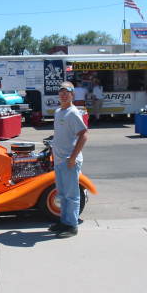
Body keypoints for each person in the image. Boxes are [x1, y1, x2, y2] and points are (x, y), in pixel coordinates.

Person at [49, 81, 88, 238]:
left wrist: (72, 158)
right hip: (59, 161)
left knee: (72, 195)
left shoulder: (73, 113)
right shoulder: (58, 112)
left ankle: (72, 226)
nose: (64, 94)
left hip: (69, 161)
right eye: (61, 91)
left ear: (72, 95)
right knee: (62, 194)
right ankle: (64, 222)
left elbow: (84, 135)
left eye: (67, 92)